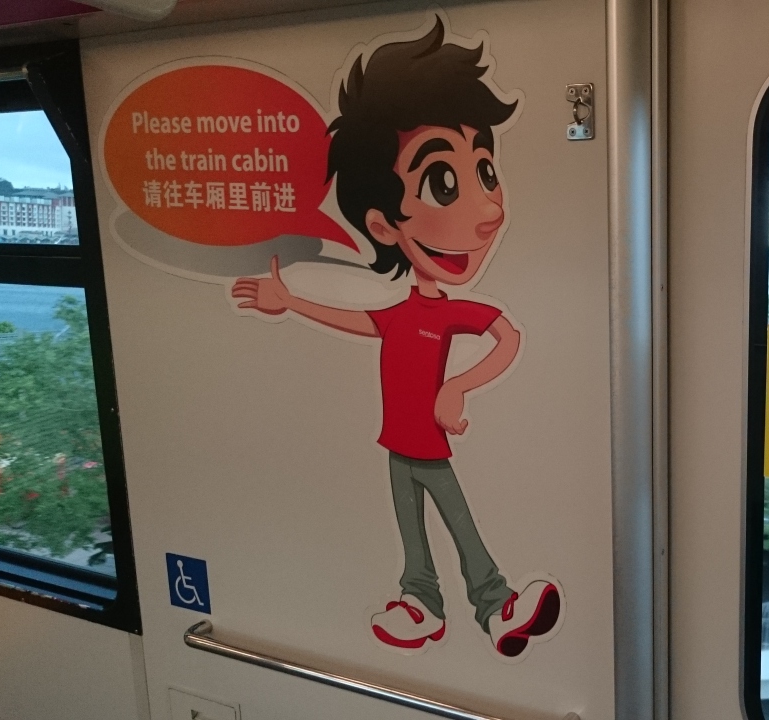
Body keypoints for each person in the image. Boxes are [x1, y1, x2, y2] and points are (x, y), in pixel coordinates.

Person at [231, 19, 560, 659]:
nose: (490, 209)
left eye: (485, 171)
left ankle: (495, 603)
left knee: (457, 521)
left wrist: (456, 388)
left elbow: (508, 336)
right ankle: (423, 604)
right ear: (383, 226)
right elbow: (360, 323)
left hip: (427, 444)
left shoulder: (452, 312)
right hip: (398, 444)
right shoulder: (403, 312)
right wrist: (291, 302)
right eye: (444, 182)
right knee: (412, 529)